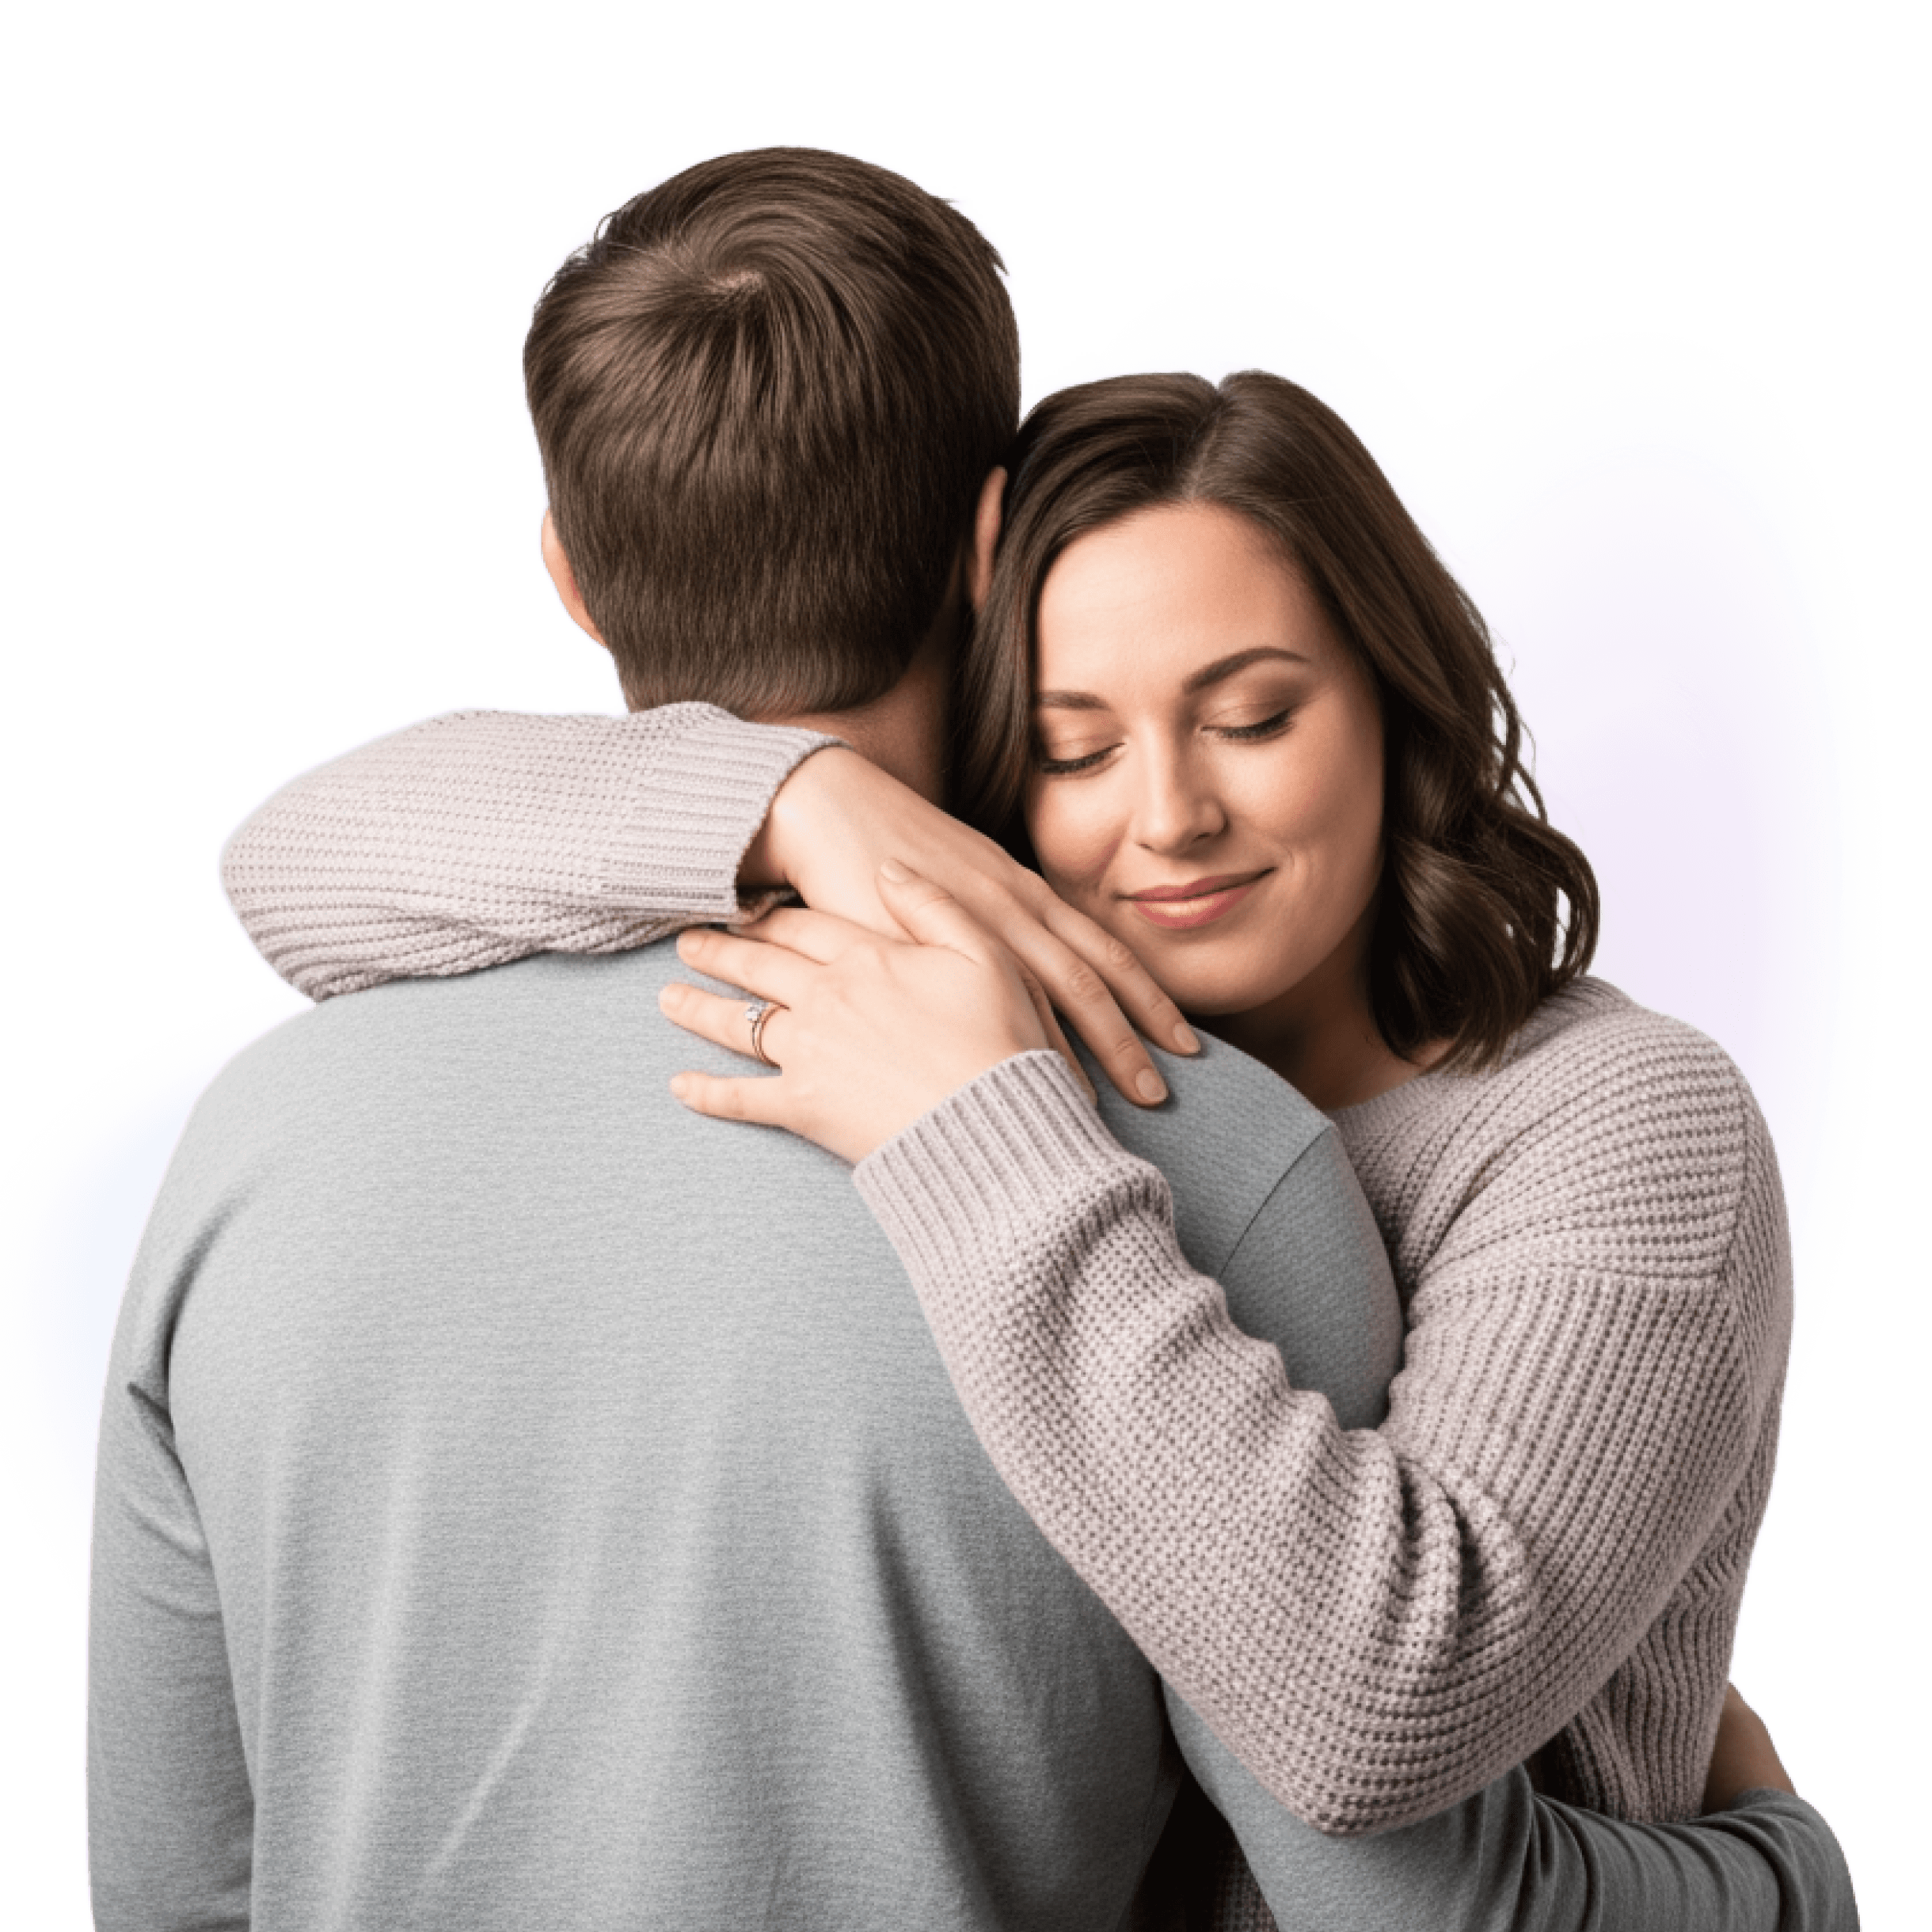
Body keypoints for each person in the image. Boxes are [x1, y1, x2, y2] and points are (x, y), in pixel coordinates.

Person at [200, 165, 1858, 1928]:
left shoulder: (1614, 1122)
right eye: (1073, 746)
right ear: (986, 641)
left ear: (1396, 690)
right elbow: (290, 858)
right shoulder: (1000, 1004)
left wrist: (1777, 1886)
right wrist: (790, 793)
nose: (1172, 814)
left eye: (1255, 715)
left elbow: (1389, 1733)